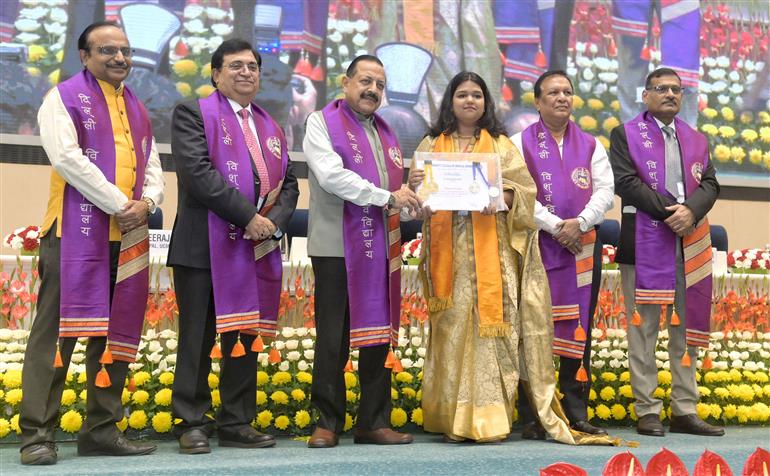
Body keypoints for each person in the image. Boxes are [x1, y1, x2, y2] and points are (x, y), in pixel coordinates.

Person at [409, 71, 593, 445]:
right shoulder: (431, 145)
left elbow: (524, 192)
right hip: (449, 258)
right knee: (453, 331)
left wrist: (498, 198)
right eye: (462, 95)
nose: (470, 101)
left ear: (486, 103)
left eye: (477, 95)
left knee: (491, 335)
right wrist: (418, 191)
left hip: (493, 253)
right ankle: (452, 418)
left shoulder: (501, 146)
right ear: (451, 101)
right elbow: (418, 207)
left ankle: (488, 419)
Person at [19, 21, 163, 465]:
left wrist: (150, 201)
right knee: (57, 336)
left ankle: (101, 429)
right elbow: (66, 157)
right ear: (85, 56)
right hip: (73, 234)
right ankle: (37, 435)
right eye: (107, 51)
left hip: (128, 235)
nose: (119, 58)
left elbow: (151, 160)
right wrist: (121, 202)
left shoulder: (137, 107)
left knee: (113, 335)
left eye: (124, 50)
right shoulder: (61, 98)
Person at [167, 38, 299, 454]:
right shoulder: (193, 112)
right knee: (197, 338)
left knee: (244, 335)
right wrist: (249, 217)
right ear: (215, 73)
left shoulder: (271, 126)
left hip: (253, 248)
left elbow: (290, 185)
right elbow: (197, 173)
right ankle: (190, 421)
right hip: (201, 249)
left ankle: (237, 421)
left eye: (253, 67)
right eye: (236, 66)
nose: (246, 73)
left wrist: (271, 225)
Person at [303, 54, 420, 448]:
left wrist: (412, 183)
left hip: (381, 247)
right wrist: (390, 193)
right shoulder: (321, 122)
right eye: (365, 81)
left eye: (380, 85)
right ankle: (326, 421)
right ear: (345, 82)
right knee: (332, 336)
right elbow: (333, 177)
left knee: (377, 334)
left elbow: (393, 190)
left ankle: (373, 420)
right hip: (336, 245)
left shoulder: (386, 133)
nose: (372, 90)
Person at [609, 67, 723, 437]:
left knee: (685, 331)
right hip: (643, 244)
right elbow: (625, 183)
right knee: (643, 330)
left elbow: (710, 182)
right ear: (646, 95)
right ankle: (647, 409)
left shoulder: (696, 139)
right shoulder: (625, 134)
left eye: (677, 89)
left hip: (689, 244)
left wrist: (690, 211)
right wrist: (671, 213)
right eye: (662, 89)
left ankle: (685, 409)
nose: (671, 94)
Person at [511, 70, 614, 439]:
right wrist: (557, 226)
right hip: (537, 247)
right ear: (537, 101)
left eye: (567, 92)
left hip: (582, 250)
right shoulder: (517, 143)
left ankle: (574, 410)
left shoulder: (591, 145)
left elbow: (605, 191)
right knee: (532, 329)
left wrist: (580, 223)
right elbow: (518, 194)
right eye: (553, 92)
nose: (562, 98)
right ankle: (532, 414)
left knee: (578, 330)